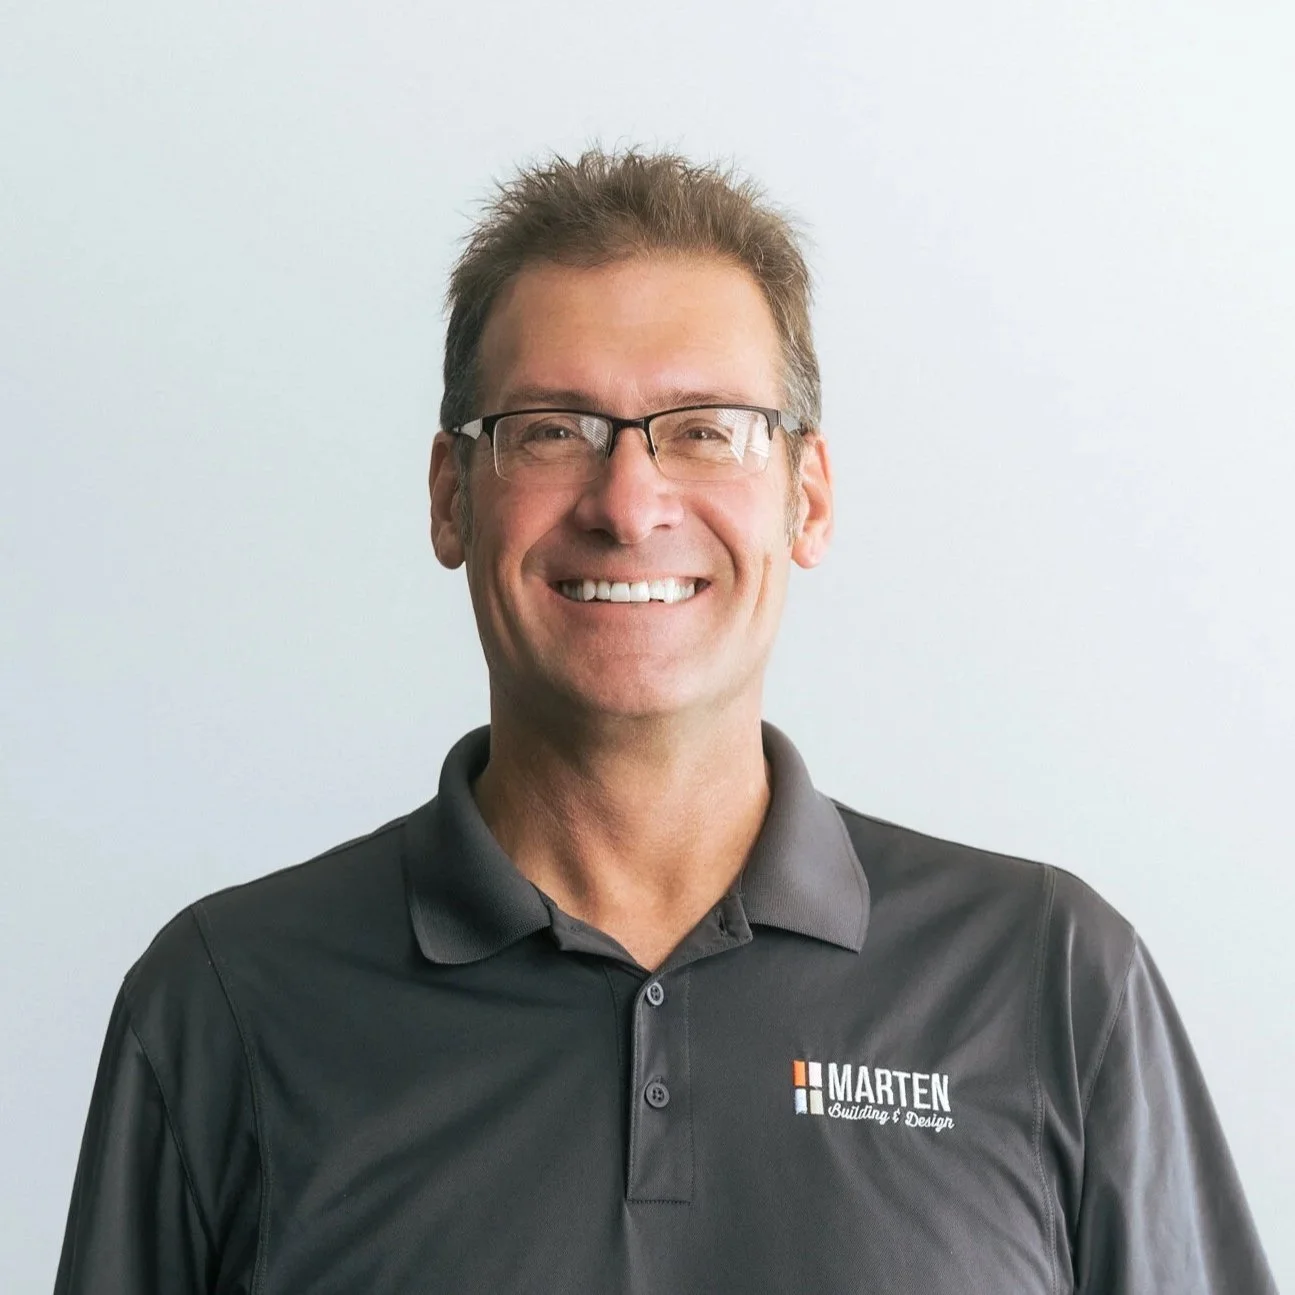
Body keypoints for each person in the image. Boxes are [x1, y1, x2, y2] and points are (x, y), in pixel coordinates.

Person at [56, 148, 1276, 1294]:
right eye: (551, 429)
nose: (628, 502)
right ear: (449, 498)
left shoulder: (1049, 980)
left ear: (806, 497)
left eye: (704, 431)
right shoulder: (225, 1005)